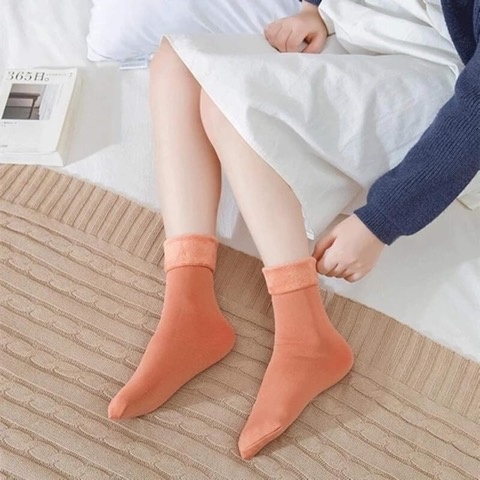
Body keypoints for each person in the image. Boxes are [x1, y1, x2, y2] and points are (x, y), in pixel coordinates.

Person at [107, 0, 479, 460]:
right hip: (356, 32)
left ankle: (306, 333)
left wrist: (381, 220)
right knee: (174, 62)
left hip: (438, 74)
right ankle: (189, 304)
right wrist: (313, 10)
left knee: (231, 105)